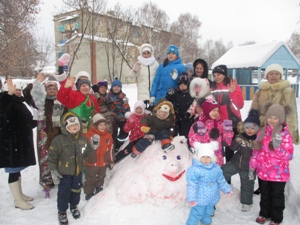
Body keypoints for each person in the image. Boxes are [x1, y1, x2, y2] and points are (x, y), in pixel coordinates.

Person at [250, 63, 299, 195]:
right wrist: (251, 126)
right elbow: (254, 109)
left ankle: (276, 185)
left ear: (280, 75)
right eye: (271, 73)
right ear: (267, 75)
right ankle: (262, 184)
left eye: (276, 73)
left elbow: (292, 112)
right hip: (263, 128)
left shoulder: (287, 90)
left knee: (276, 156)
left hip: (280, 129)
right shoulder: (261, 90)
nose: (274, 76)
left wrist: (293, 131)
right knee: (262, 156)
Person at [249, 103, 294, 225]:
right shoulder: (262, 133)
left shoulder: (285, 135)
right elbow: (256, 152)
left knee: (277, 196)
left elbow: (289, 156)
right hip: (263, 172)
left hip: (279, 175)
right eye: (270, 117)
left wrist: (277, 147)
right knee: (265, 195)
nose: (272, 120)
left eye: (275, 118)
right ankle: (264, 213)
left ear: (281, 119)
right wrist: (252, 166)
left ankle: (276, 218)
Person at [48, 111, 95, 225]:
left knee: (76, 190)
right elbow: (52, 156)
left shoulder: (82, 139)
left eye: (76, 125)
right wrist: (53, 170)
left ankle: (74, 206)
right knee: (63, 192)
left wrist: (93, 146)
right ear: (65, 127)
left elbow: (87, 153)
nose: (74, 127)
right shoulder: (59, 140)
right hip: (64, 172)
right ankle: (62, 211)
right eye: (71, 126)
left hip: (77, 171)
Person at [0, 78, 37, 210]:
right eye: (15, 90)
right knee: (13, 170)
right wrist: (9, 94)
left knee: (17, 169)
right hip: (11, 142)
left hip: (20, 141)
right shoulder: (5, 100)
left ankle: (20, 194)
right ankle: (17, 200)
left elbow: (23, 118)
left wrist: (34, 122)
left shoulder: (18, 101)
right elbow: (3, 109)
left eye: (19, 90)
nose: (18, 92)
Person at [31, 73, 66, 197]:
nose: (52, 90)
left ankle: (59, 176)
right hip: (44, 134)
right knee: (45, 157)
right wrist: (37, 82)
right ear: (45, 90)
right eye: (49, 88)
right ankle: (47, 180)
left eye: (54, 88)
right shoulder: (41, 102)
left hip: (58, 133)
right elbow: (28, 94)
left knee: (59, 156)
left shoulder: (61, 102)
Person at [221, 109, 260, 212]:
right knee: (222, 171)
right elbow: (233, 148)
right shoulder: (241, 136)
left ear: (257, 129)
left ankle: (246, 203)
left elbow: (261, 154)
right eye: (247, 127)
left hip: (249, 168)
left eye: (253, 128)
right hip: (236, 163)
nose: (250, 130)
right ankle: (223, 191)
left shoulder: (259, 140)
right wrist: (236, 140)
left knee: (247, 185)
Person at [186, 141, 233, 225]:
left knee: (208, 211)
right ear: (198, 157)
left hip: (212, 197)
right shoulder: (194, 170)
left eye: (208, 157)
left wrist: (227, 189)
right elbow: (192, 185)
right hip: (199, 198)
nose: (205, 159)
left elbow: (221, 180)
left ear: (212, 157)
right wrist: (192, 198)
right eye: (203, 157)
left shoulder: (216, 168)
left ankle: (206, 222)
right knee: (197, 213)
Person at [210, 64, 244, 163]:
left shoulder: (232, 84)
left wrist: (232, 93)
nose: (216, 77)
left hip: (231, 122)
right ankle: (218, 171)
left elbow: (240, 105)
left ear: (224, 74)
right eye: (215, 75)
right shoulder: (212, 87)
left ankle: (228, 175)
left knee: (230, 149)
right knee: (217, 149)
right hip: (217, 123)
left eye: (219, 74)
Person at [188, 98, 234, 166]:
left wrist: (228, 131)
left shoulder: (220, 125)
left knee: (216, 175)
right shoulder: (197, 125)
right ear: (206, 110)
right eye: (213, 110)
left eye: (217, 110)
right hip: (202, 158)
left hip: (217, 159)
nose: (216, 112)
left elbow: (227, 142)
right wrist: (200, 135)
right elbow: (192, 142)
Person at [84, 113, 114, 200]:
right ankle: (89, 192)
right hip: (92, 162)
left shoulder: (108, 136)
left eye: (104, 125)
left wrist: (111, 161)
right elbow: (84, 148)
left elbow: (110, 149)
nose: (103, 127)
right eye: (100, 125)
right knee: (91, 178)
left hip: (103, 162)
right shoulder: (89, 135)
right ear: (95, 125)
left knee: (101, 176)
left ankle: (98, 187)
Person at [97, 78, 130, 150]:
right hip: (114, 118)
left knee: (124, 132)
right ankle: (113, 146)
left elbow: (127, 107)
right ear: (112, 87)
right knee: (113, 133)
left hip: (122, 118)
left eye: (118, 87)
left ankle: (119, 144)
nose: (116, 88)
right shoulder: (109, 96)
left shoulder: (123, 97)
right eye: (114, 86)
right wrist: (98, 98)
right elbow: (104, 99)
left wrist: (128, 114)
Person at [129, 43, 159, 108]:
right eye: (144, 53)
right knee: (142, 114)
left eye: (148, 53)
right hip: (142, 95)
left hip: (153, 94)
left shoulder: (155, 64)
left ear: (151, 53)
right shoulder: (138, 63)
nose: (146, 55)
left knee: (153, 113)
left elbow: (159, 77)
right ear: (141, 54)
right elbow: (131, 78)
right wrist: (134, 70)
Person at [165, 72, 194, 138]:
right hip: (177, 116)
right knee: (174, 133)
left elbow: (194, 104)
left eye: (184, 85)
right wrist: (169, 94)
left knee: (185, 134)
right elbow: (168, 100)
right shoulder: (177, 93)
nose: (182, 87)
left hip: (187, 118)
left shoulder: (191, 94)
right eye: (180, 85)